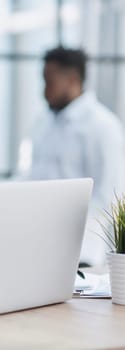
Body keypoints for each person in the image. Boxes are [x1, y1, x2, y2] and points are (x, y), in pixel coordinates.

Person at [20, 46, 125, 267]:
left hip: (83, 253)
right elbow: (26, 176)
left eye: (50, 82)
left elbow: (110, 195)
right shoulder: (42, 123)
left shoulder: (103, 127)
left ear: (72, 79)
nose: (44, 90)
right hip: (37, 245)